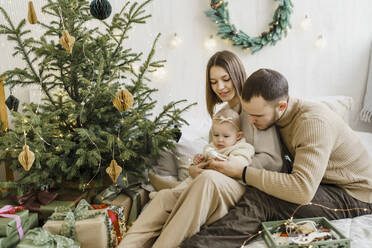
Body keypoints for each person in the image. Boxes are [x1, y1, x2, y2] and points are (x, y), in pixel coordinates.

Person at [181, 68, 372, 248]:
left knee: (262, 201)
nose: (250, 121)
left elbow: (302, 189)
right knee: (257, 191)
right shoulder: (274, 115)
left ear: (281, 106)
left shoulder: (312, 123)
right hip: (321, 181)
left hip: (355, 192)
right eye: (248, 114)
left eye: (257, 116)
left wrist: (243, 172)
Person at [119, 52, 284, 248]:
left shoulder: (254, 111)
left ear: (237, 75)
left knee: (207, 180)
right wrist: (196, 168)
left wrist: (232, 167)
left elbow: (274, 160)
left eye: (225, 79)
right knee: (163, 197)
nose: (220, 87)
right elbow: (211, 151)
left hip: (245, 186)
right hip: (216, 179)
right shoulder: (223, 115)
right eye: (213, 82)